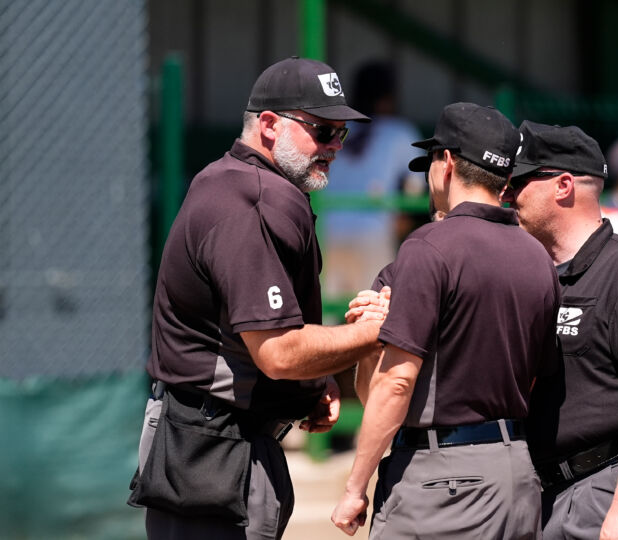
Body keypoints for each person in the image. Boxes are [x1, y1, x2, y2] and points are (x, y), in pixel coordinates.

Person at [127, 56, 386, 540]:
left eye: (342, 133)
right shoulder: (249, 200)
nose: (334, 146)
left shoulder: (231, 180)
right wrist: (376, 333)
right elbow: (279, 352)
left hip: (210, 445)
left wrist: (314, 382)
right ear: (268, 124)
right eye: (322, 130)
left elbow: (261, 341)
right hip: (210, 454)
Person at [331, 102, 561, 538]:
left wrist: (355, 485)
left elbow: (395, 383)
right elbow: (535, 376)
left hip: (442, 477)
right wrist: (372, 340)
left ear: (448, 163)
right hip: (514, 470)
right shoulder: (538, 257)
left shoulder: (428, 248)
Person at [501, 122, 618, 540]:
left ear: (563, 185)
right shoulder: (535, 274)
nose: (507, 194)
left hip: (607, 487)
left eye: (519, 182)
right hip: (542, 493)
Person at [322, 60, 425, 299]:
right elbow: (414, 189)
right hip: (374, 232)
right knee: (372, 314)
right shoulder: (400, 131)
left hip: (327, 229)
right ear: (389, 96)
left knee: (325, 315)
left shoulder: (337, 127)